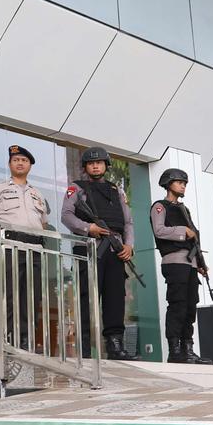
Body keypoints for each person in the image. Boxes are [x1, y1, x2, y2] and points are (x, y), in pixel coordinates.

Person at [61, 147, 141, 361]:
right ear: (85, 167)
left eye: (99, 163)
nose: (95, 166)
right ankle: (84, 346)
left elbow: (128, 222)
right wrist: (89, 229)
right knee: (87, 298)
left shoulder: (117, 190)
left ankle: (115, 344)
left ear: (106, 165)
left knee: (115, 298)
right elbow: (66, 216)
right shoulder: (76, 188)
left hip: (115, 249)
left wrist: (129, 245)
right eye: (91, 163)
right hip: (89, 248)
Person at [0, 145, 48, 352]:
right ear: (10, 164)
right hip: (9, 245)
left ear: (30, 166)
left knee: (30, 296)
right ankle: (3, 340)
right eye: (16, 160)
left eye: (24, 160)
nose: (20, 163)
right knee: (6, 295)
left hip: (34, 247)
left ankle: (25, 339)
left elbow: (43, 223)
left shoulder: (37, 194)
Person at [153, 168, 212, 365]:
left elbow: (195, 239)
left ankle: (188, 348)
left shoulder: (184, 210)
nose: (183, 185)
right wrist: (182, 231)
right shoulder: (160, 207)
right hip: (174, 261)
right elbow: (159, 231)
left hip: (191, 264)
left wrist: (201, 265)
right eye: (179, 182)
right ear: (168, 184)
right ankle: (174, 350)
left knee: (190, 306)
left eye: (184, 183)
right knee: (177, 304)